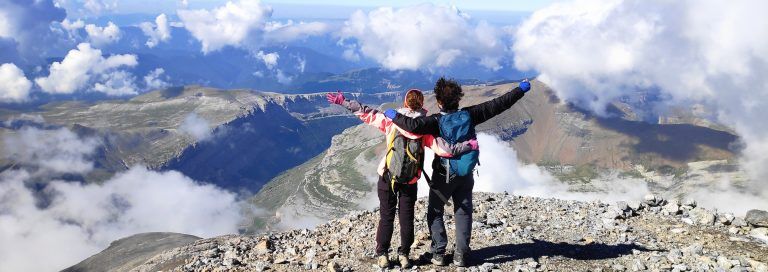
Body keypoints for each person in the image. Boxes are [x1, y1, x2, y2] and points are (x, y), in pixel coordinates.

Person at [382, 78, 531, 267]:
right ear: (458, 100)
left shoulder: (436, 121)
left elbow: (413, 126)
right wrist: (520, 89)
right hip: (466, 173)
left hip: (443, 173)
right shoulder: (471, 114)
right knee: (463, 211)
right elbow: (498, 104)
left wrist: (394, 115)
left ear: (439, 102)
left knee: (435, 211)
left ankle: (438, 253)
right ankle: (461, 255)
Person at [326, 89, 479, 268]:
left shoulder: (392, 120)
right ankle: (404, 255)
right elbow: (444, 150)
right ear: (422, 105)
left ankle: (383, 254)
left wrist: (344, 101)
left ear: (405, 103)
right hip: (410, 180)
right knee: (407, 217)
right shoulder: (425, 127)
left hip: (387, 175)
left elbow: (367, 113)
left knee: (386, 215)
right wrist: (467, 146)